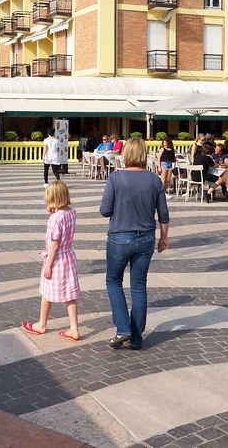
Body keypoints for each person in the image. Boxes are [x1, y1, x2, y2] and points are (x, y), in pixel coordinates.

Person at [100, 138, 169, 350]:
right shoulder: (154, 180)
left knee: (113, 281)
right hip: (146, 238)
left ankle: (123, 329)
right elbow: (163, 215)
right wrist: (164, 238)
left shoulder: (116, 178)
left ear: (126, 154)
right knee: (139, 286)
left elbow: (105, 210)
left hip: (120, 237)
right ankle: (137, 338)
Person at [21, 180, 80, 341]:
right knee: (70, 295)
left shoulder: (55, 219)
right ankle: (74, 328)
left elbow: (54, 244)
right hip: (68, 257)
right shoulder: (71, 212)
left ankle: (41, 324)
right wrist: (53, 214)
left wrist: (48, 265)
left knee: (46, 291)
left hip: (57, 259)